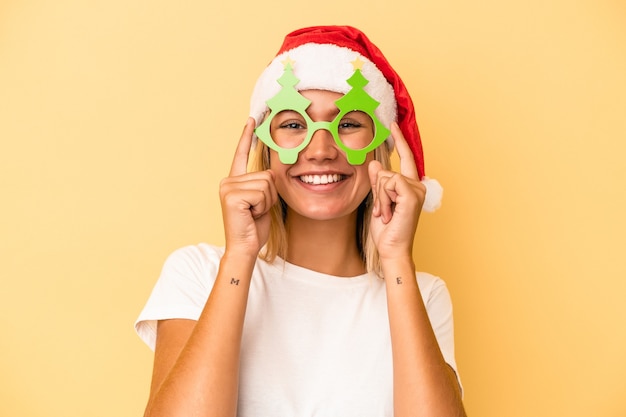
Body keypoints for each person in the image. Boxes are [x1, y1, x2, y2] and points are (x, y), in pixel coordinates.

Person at [135, 25, 466, 417]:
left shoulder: (421, 294)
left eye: (348, 124)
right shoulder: (198, 274)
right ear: (263, 147)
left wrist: (396, 259)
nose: (321, 150)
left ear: (381, 146)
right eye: (294, 125)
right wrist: (240, 255)